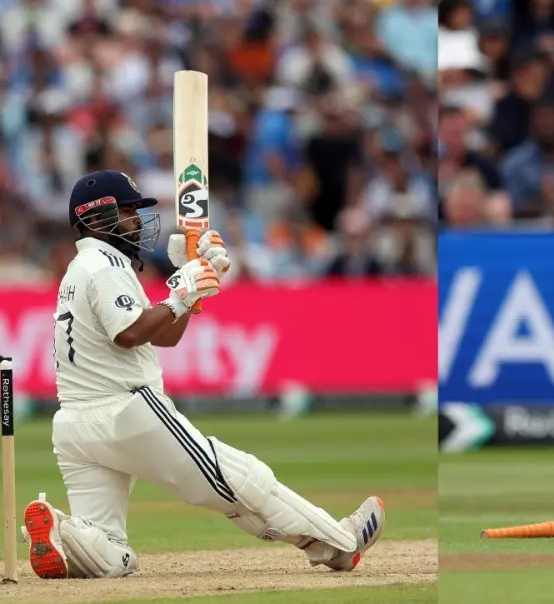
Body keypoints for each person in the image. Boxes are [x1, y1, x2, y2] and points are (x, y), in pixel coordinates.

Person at [27, 171, 387, 579]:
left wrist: (191, 285)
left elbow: (165, 337)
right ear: (94, 218)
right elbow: (130, 334)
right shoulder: (103, 265)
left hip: (74, 428)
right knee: (240, 476)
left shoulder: (83, 268)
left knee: (111, 551)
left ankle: (63, 531)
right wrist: (180, 292)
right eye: (126, 211)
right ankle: (339, 543)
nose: (137, 220)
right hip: (125, 412)